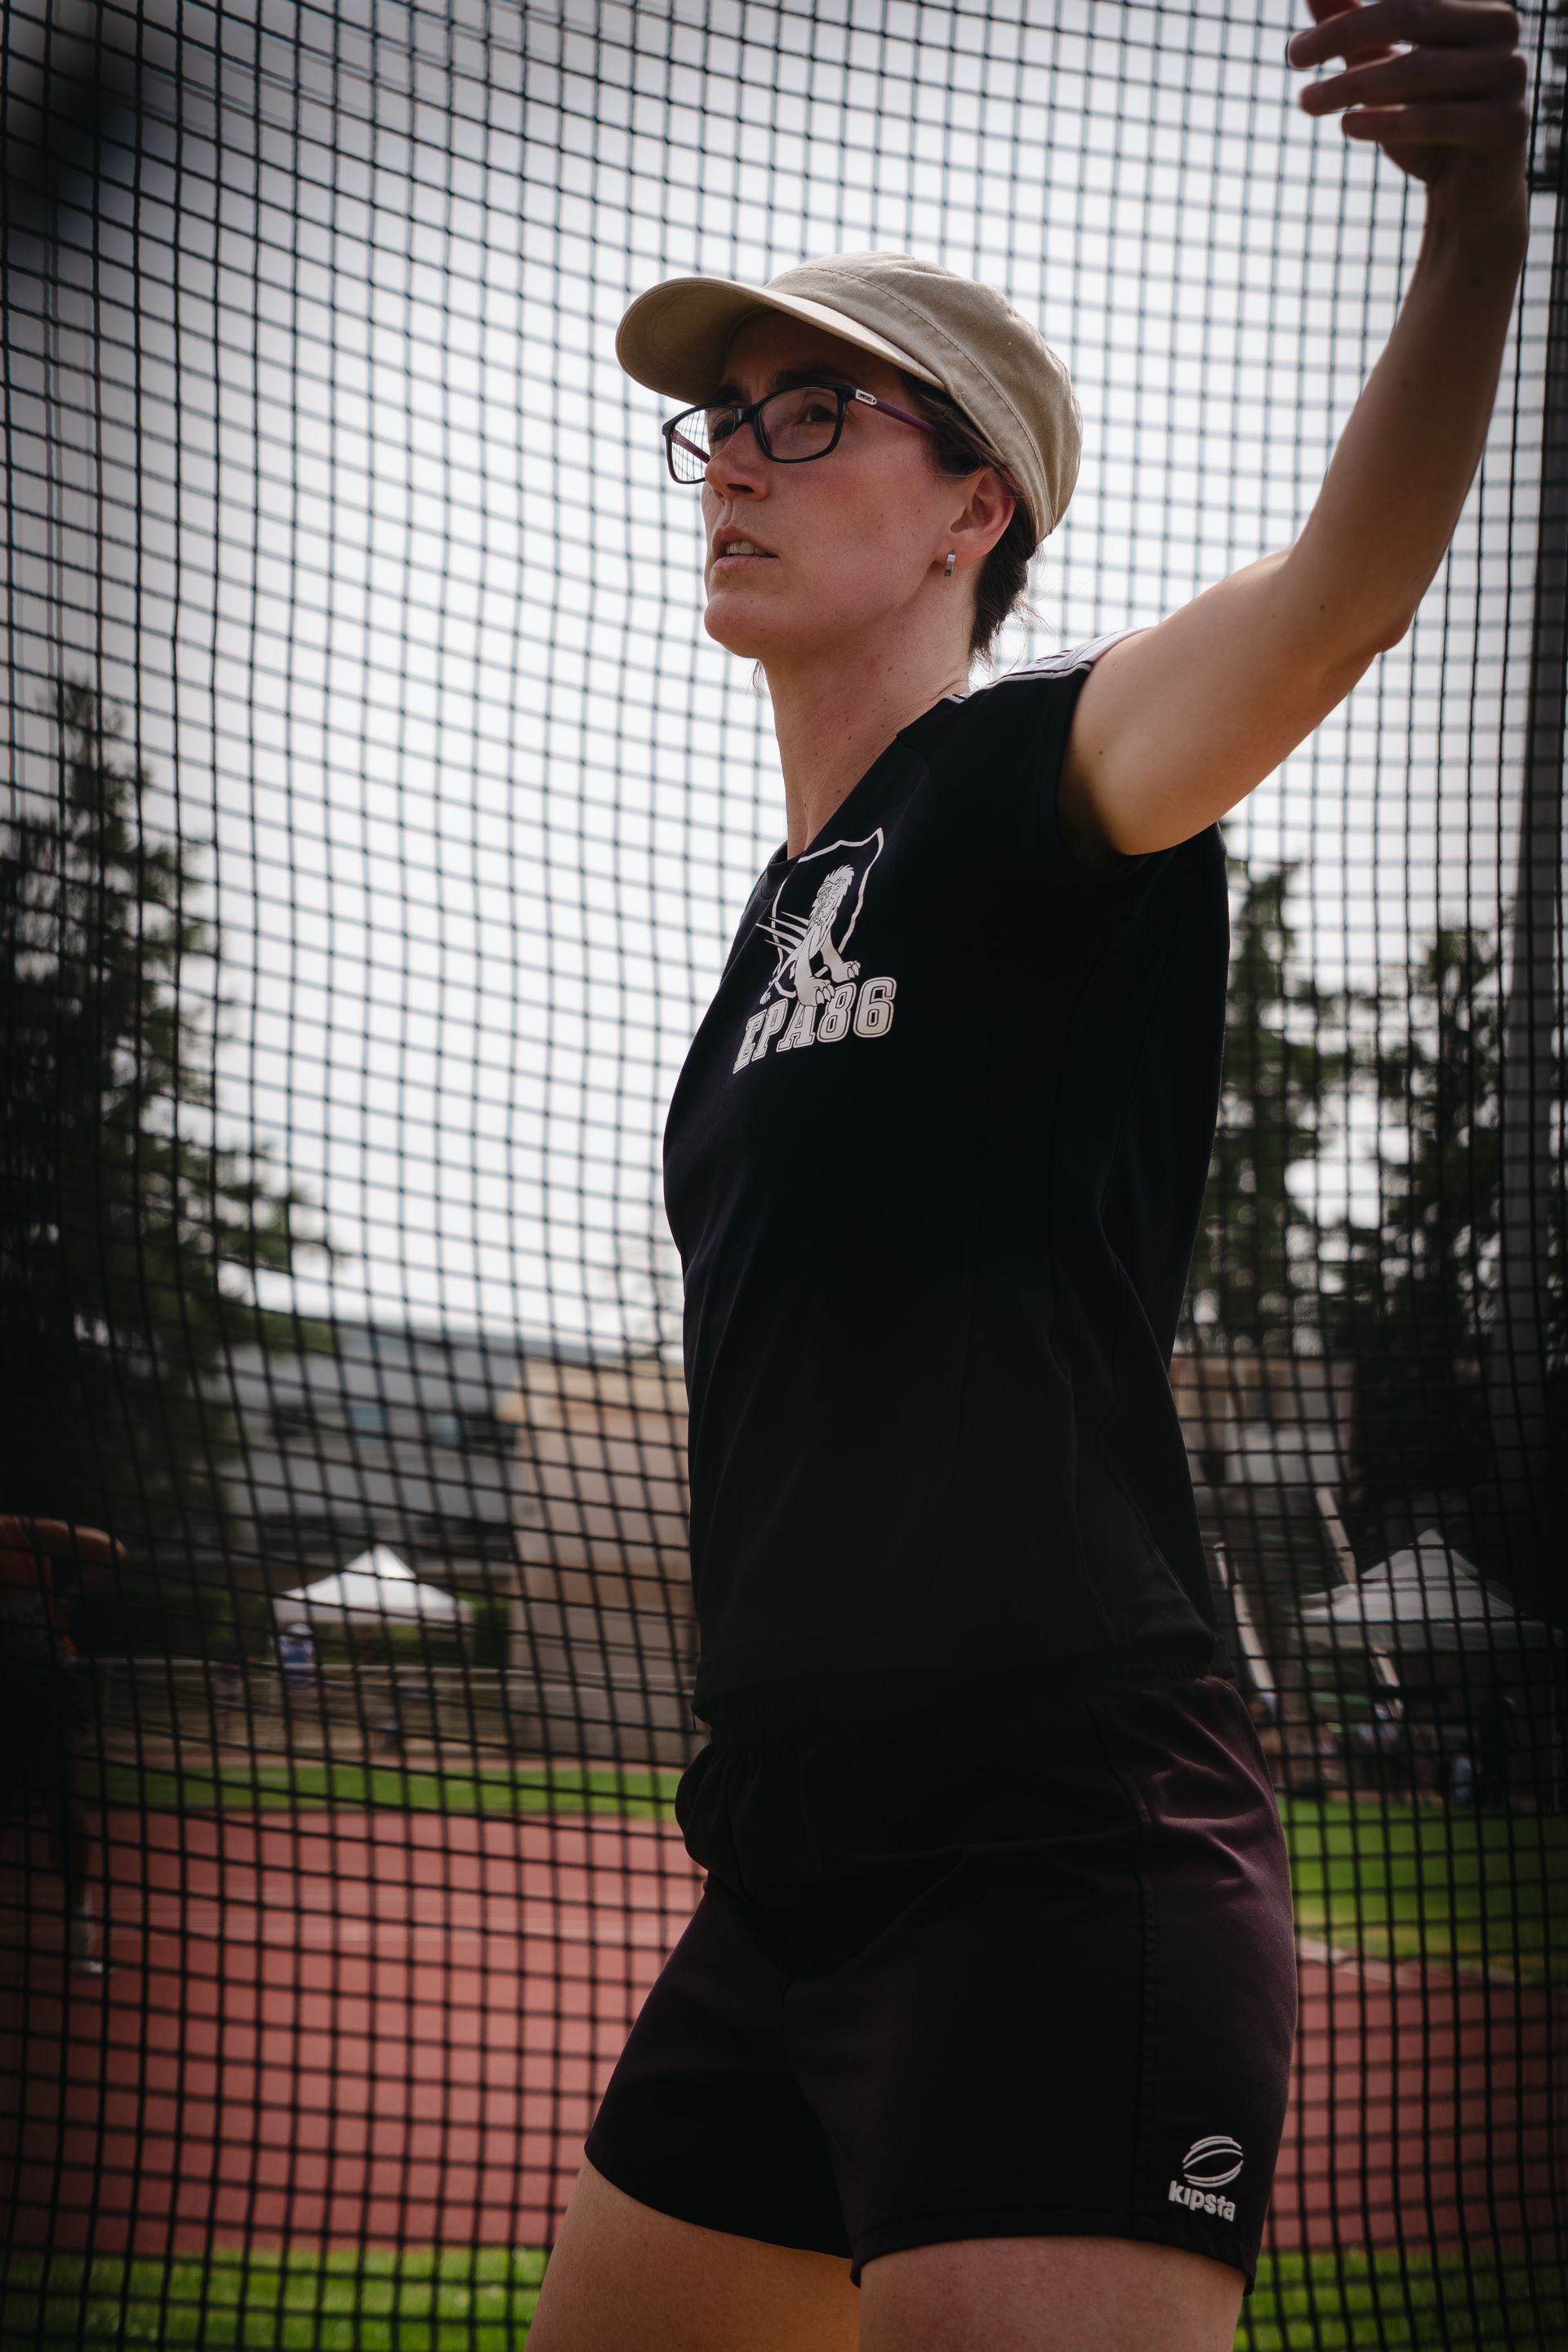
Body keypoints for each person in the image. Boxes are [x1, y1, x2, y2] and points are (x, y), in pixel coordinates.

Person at [527, 13, 1530, 2348]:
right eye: (723, 419)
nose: (734, 463)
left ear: (978, 509)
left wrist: (1474, 231)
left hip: (1056, 1845)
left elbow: (1339, 596)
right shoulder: (775, 934)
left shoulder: (1033, 774)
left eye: (815, 413)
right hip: (784, 1858)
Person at [0, 1512, 125, 1976]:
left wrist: (69, 1599)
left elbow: (112, 1549)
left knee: (64, 1807)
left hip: (48, 1681)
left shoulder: (21, 1530)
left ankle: (78, 1936)